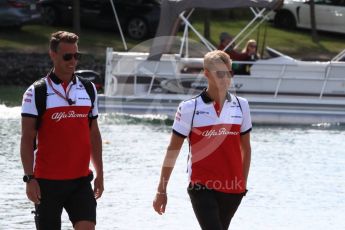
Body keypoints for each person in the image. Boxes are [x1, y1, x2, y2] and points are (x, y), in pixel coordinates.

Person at [153, 50, 252, 230]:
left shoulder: (241, 105)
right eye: (220, 74)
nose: (226, 79)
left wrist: (242, 184)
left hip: (233, 188)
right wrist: (162, 189)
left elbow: (246, 148)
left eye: (229, 73)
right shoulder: (189, 108)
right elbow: (172, 150)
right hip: (201, 186)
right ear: (206, 73)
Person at [20, 31, 104, 230]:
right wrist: (29, 178)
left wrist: (100, 173)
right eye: (67, 56)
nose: (73, 61)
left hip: (80, 181)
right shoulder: (36, 92)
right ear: (53, 54)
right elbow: (27, 138)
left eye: (76, 56)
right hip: (47, 184)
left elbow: (94, 134)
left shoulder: (89, 89)